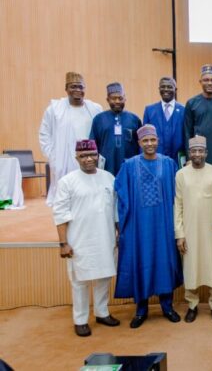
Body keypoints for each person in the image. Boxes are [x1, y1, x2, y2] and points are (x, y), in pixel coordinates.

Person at [114, 124, 183, 328]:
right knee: (141, 261)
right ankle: (141, 310)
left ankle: (167, 307)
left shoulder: (169, 164)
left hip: (163, 224)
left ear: (158, 141)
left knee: (164, 262)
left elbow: (178, 195)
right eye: (145, 140)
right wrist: (122, 225)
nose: (150, 143)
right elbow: (120, 194)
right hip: (139, 226)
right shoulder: (129, 166)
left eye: (153, 139)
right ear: (139, 143)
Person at [53, 139, 119, 337]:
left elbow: (116, 210)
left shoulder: (109, 178)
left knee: (104, 277)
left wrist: (119, 233)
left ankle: (102, 313)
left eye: (92, 155)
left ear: (98, 156)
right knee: (79, 281)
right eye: (83, 156)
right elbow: (60, 214)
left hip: (105, 237)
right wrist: (63, 243)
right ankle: (80, 320)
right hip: (79, 240)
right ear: (77, 158)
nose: (88, 159)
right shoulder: (67, 181)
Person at [175, 136, 212, 323]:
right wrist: (180, 234)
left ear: (206, 153)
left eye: (200, 151)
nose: (197, 154)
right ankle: (192, 305)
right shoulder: (181, 175)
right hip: (189, 230)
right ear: (189, 153)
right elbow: (178, 205)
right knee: (191, 267)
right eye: (194, 151)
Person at [39, 72, 102, 206]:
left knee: (88, 198)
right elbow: (44, 134)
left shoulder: (95, 109)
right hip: (63, 161)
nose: (77, 90)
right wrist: (53, 156)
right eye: (73, 86)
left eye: (80, 87)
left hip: (89, 160)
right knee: (65, 199)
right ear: (66, 89)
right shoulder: (54, 110)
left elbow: (101, 133)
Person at [89, 82, 142, 176]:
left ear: (125, 98)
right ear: (108, 99)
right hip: (106, 169)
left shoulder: (134, 119)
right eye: (113, 98)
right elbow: (92, 146)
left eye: (120, 98)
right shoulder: (99, 119)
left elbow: (141, 146)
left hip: (130, 169)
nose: (117, 101)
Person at [142, 77, 185, 166]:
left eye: (169, 87)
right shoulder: (149, 110)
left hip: (177, 160)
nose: (166, 89)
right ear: (159, 89)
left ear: (175, 89)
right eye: (163, 87)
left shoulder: (184, 110)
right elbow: (144, 138)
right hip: (155, 161)